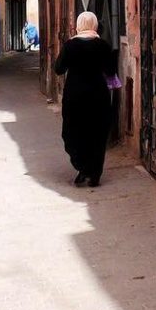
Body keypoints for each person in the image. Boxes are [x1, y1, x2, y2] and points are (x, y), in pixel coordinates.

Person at [53, 11, 116, 187]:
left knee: (74, 132)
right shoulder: (102, 46)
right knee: (97, 133)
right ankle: (94, 173)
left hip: (75, 96)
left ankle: (82, 167)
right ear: (95, 24)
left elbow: (58, 69)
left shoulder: (70, 46)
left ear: (79, 25)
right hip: (98, 95)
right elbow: (111, 71)